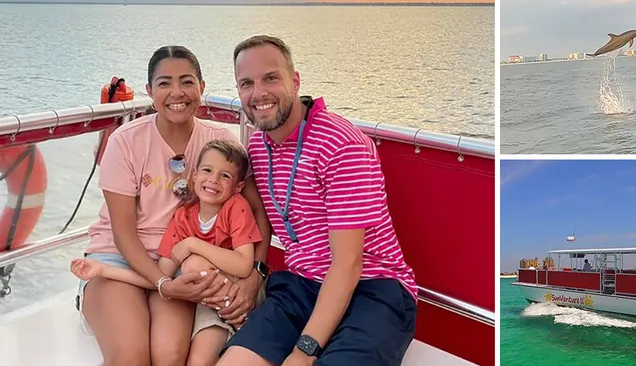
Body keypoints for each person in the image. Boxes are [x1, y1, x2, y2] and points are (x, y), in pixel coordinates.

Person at [217, 35, 418, 366]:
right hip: (301, 286)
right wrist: (256, 270)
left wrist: (303, 349)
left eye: (270, 78)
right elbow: (258, 214)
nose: (259, 93)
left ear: (295, 81)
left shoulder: (340, 145)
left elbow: (348, 262)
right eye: (246, 84)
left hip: (373, 289)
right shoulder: (258, 146)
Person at [76, 45, 272, 366]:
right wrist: (163, 284)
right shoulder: (126, 141)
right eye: (165, 83)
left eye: (187, 81)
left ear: (202, 88)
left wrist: (255, 274)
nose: (177, 92)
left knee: (169, 355)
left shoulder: (220, 142)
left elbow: (256, 211)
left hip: (182, 264)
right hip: (120, 261)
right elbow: (123, 234)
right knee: (131, 355)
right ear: (150, 91)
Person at [71, 139, 263, 365]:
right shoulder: (183, 218)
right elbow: (160, 277)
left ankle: (243, 322)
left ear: (238, 187)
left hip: (237, 293)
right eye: (207, 171)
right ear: (193, 176)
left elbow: (242, 265)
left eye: (225, 176)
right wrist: (103, 269)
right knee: (194, 360)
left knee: (192, 265)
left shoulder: (236, 207)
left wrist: (193, 244)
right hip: (208, 304)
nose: (213, 180)